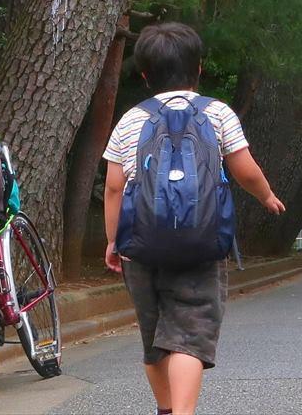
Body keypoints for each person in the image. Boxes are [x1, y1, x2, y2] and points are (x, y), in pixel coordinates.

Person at [103, 22, 285, 415]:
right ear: (198, 68)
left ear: (146, 74)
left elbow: (115, 187)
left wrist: (113, 240)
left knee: (154, 342)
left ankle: (167, 411)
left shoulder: (131, 119)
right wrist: (266, 195)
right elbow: (244, 168)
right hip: (202, 243)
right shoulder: (217, 112)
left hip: (141, 247)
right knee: (188, 335)